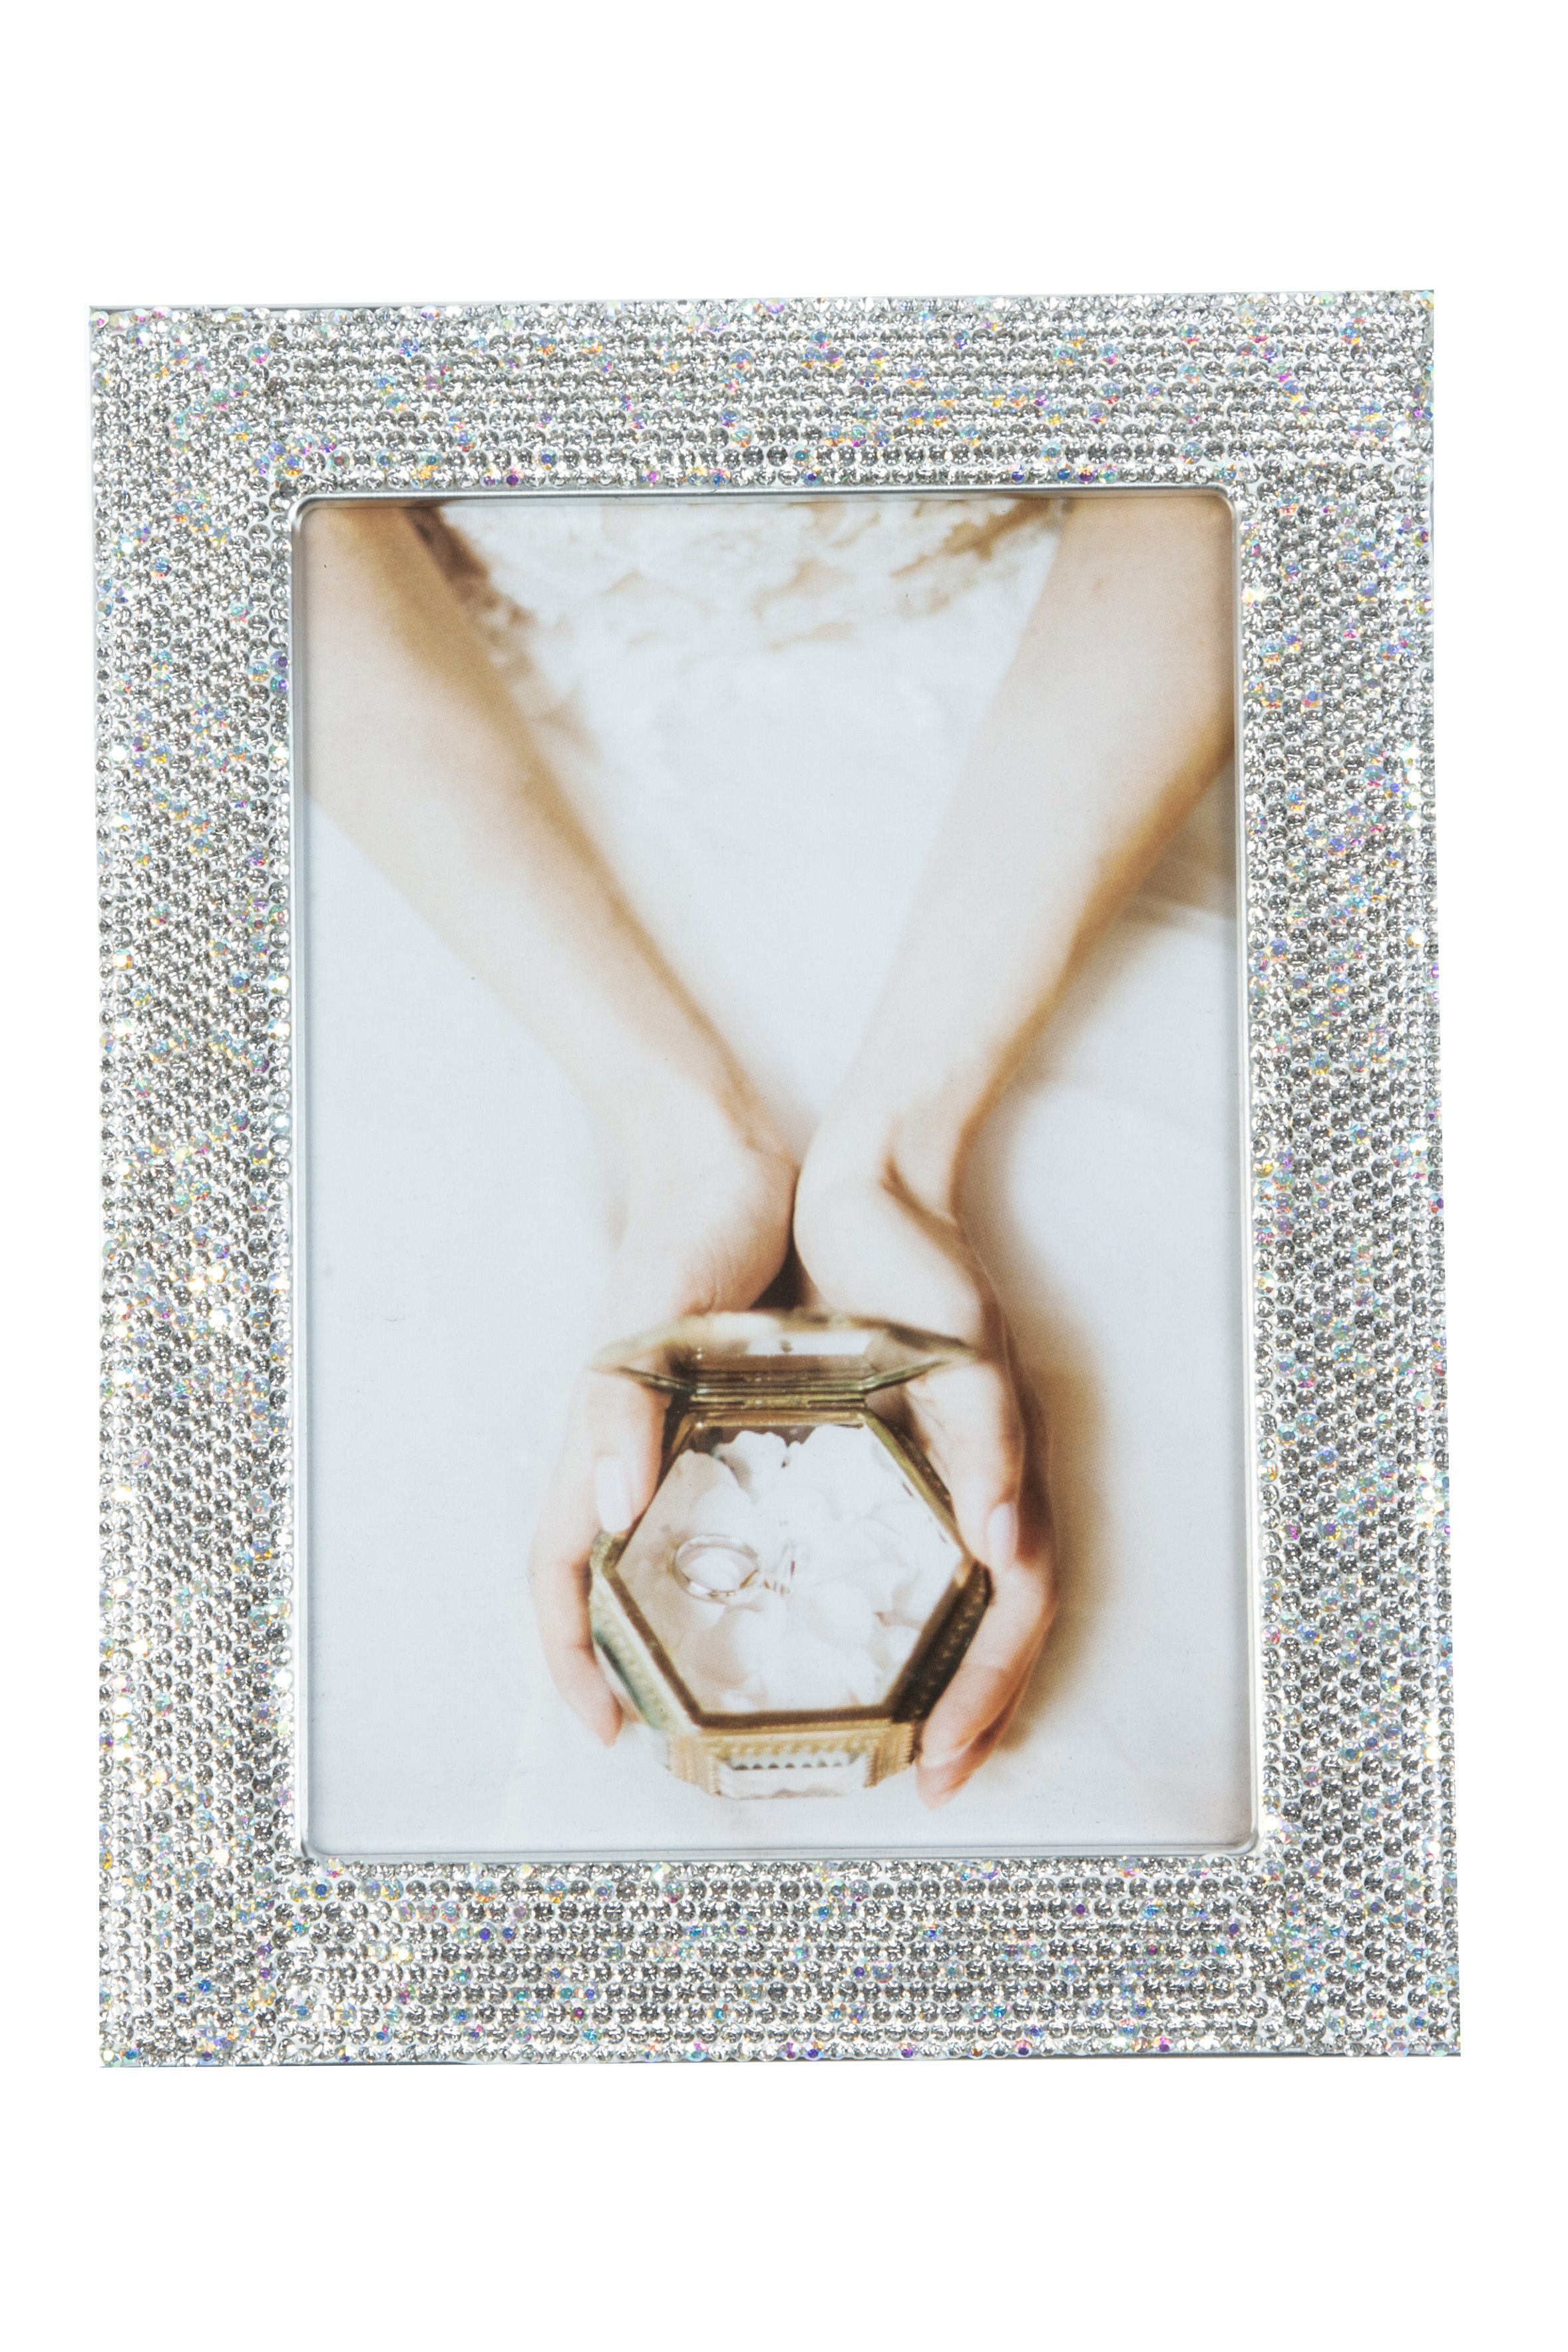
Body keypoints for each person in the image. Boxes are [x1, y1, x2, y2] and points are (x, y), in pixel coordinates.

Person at [301, 490, 1234, 1808]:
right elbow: (261, 504)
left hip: (1056, 751)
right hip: (439, 769)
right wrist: (683, 1140)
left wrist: (895, 1162)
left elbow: (1225, 470)